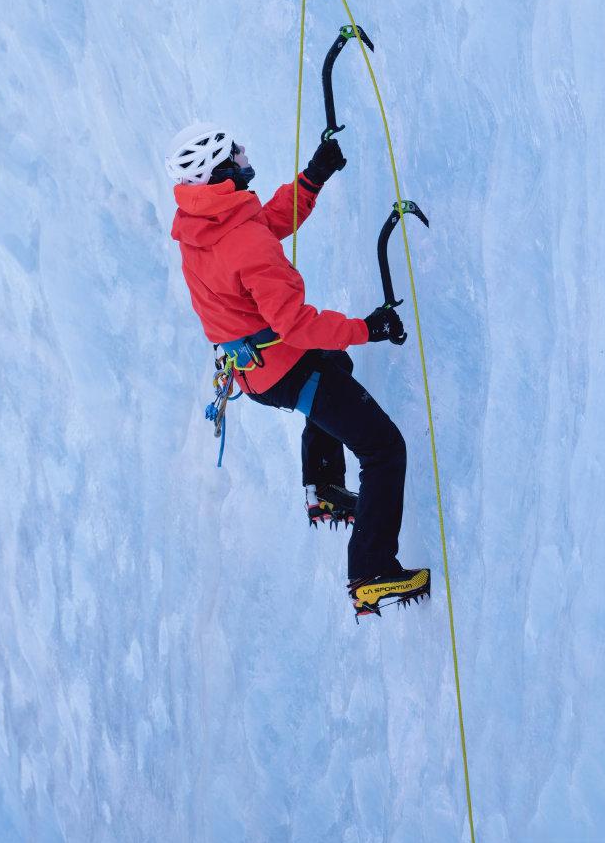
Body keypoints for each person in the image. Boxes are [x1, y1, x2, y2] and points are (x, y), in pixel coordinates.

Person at [166, 121, 430, 618]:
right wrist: (367, 327)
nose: (245, 151)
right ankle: (370, 572)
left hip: (256, 367)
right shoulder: (242, 241)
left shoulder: (202, 224)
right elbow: (296, 324)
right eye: (234, 150)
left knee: (338, 364)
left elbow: (262, 226)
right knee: (384, 448)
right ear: (221, 171)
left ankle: (324, 487)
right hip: (284, 367)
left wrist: (312, 177)